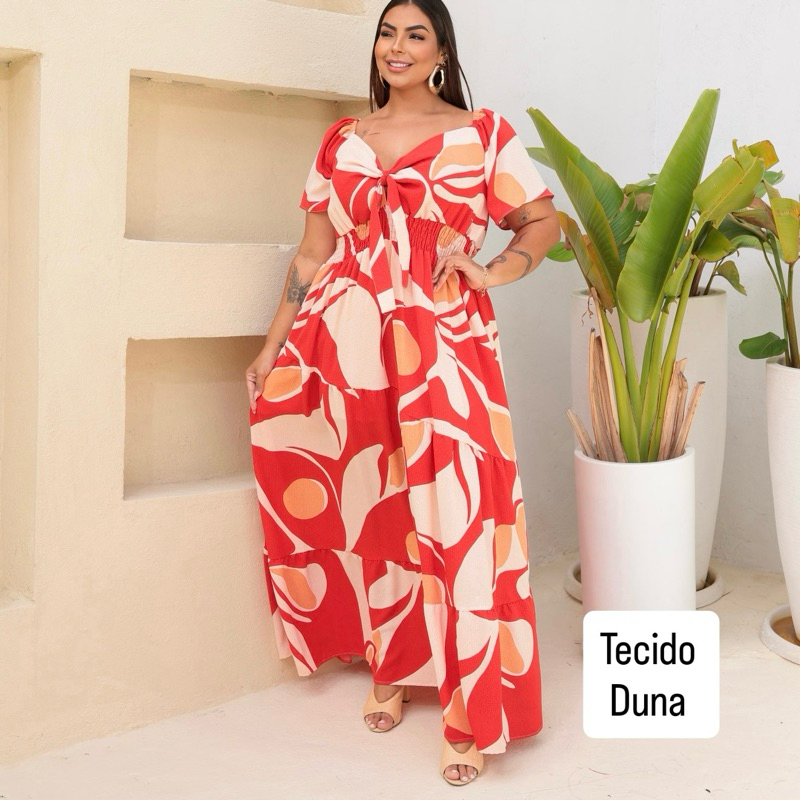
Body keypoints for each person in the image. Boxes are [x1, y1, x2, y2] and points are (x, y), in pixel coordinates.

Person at [246, 0, 559, 786]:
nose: (397, 46)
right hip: (346, 343)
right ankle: (393, 661)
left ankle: (469, 707)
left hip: (442, 338)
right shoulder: (342, 140)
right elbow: (314, 253)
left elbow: (541, 225)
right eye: (387, 32)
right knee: (377, 503)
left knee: (456, 509)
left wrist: (490, 271)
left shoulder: (483, 134)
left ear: (442, 51)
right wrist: (273, 343)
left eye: (416, 34)